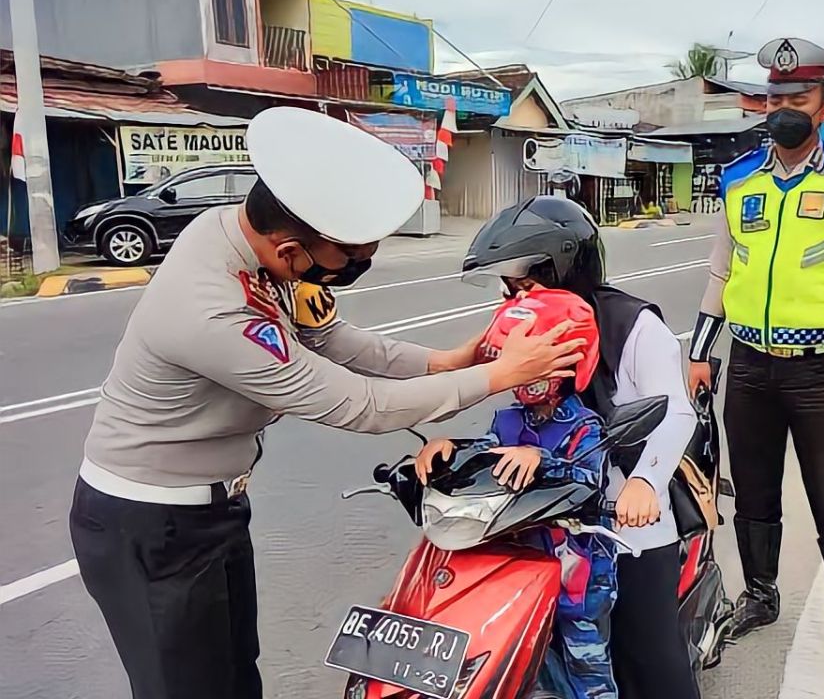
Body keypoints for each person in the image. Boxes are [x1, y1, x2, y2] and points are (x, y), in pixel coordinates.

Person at [67, 108, 583, 699]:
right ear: (291, 252)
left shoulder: (242, 239)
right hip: (151, 524)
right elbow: (359, 404)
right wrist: (499, 376)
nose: (356, 268)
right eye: (348, 258)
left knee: (235, 678)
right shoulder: (213, 309)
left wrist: (452, 360)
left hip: (212, 511)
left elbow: (333, 340)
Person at [686, 37, 824, 688]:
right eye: (776, 97)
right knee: (752, 494)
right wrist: (699, 353)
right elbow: (724, 269)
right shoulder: (738, 179)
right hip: (749, 364)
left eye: (798, 97)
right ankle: (761, 594)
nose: (785, 108)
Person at [460, 196, 702, 699]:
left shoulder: (633, 326)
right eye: (508, 290)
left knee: (654, 664)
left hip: (624, 523)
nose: (516, 300)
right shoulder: (524, 330)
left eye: (526, 285)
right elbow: (502, 410)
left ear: (566, 270)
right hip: (541, 523)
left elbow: (677, 410)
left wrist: (644, 482)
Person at [415, 288, 618, 699]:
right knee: (524, 663)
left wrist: (541, 458)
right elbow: (488, 456)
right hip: (517, 568)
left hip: (574, 578)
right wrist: (452, 449)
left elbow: (589, 479)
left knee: (586, 669)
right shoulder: (506, 420)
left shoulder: (584, 428)